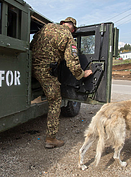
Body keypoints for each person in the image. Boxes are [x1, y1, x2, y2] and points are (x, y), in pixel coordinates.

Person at [30, 17, 93, 149]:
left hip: (31, 68)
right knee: (55, 101)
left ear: (62, 23)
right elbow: (72, 62)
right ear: (72, 28)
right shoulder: (67, 36)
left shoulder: (45, 28)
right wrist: (82, 74)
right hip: (46, 72)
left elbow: (32, 45)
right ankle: (51, 138)